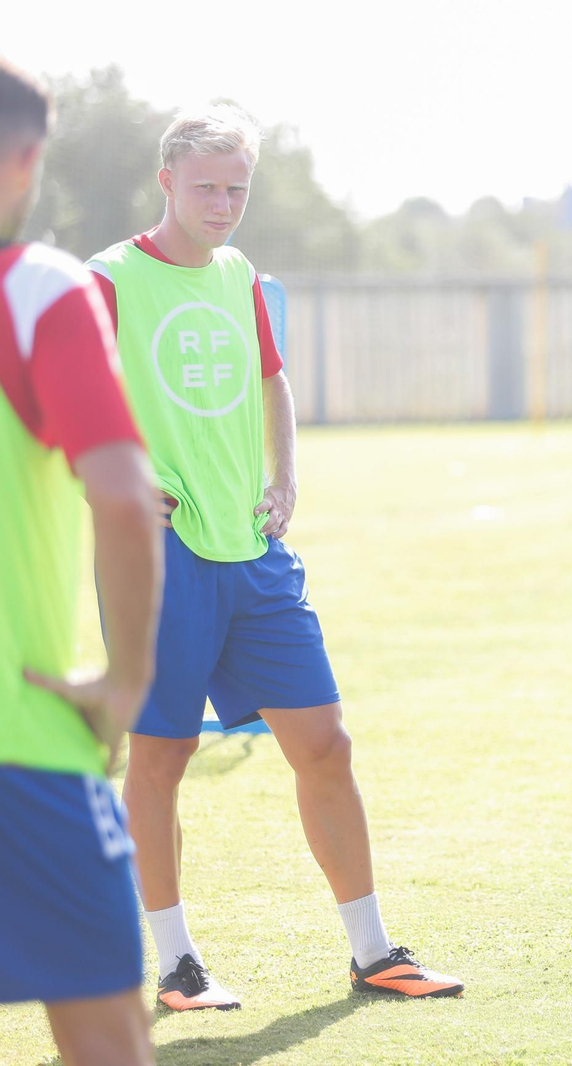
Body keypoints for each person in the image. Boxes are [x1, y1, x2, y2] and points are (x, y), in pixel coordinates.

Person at [87, 105, 462, 1010]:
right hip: (158, 554)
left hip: (253, 553)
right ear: (166, 180)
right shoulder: (107, 279)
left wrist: (285, 476)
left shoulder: (238, 273)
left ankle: (374, 954)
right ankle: (177, 965)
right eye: (208, 186)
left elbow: (272, 379)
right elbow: (58, 397)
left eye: (237, 189)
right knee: (162, 758)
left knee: (325, 745)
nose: (223, 204)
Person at [0, 56, 163, 1065]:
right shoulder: (37, 288)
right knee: (107, 1039)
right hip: (23, 736)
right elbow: (122, 492)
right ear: (26, 160)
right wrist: (128, 681)